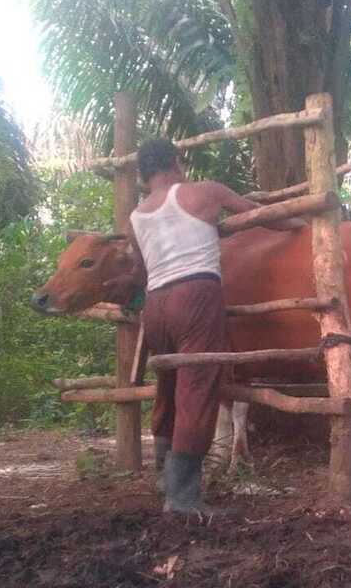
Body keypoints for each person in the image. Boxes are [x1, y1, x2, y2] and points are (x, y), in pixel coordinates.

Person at [121, 138, 300, 515]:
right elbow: (260, 216)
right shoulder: (204, 192)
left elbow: (140, 268)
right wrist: (301, 222)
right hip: (196, 296)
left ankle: (165, 479)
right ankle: (183, 498)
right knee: (197, 390)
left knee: (168, 390)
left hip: (156, 305)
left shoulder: (136, 216)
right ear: (174, 161)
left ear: (144, 173)